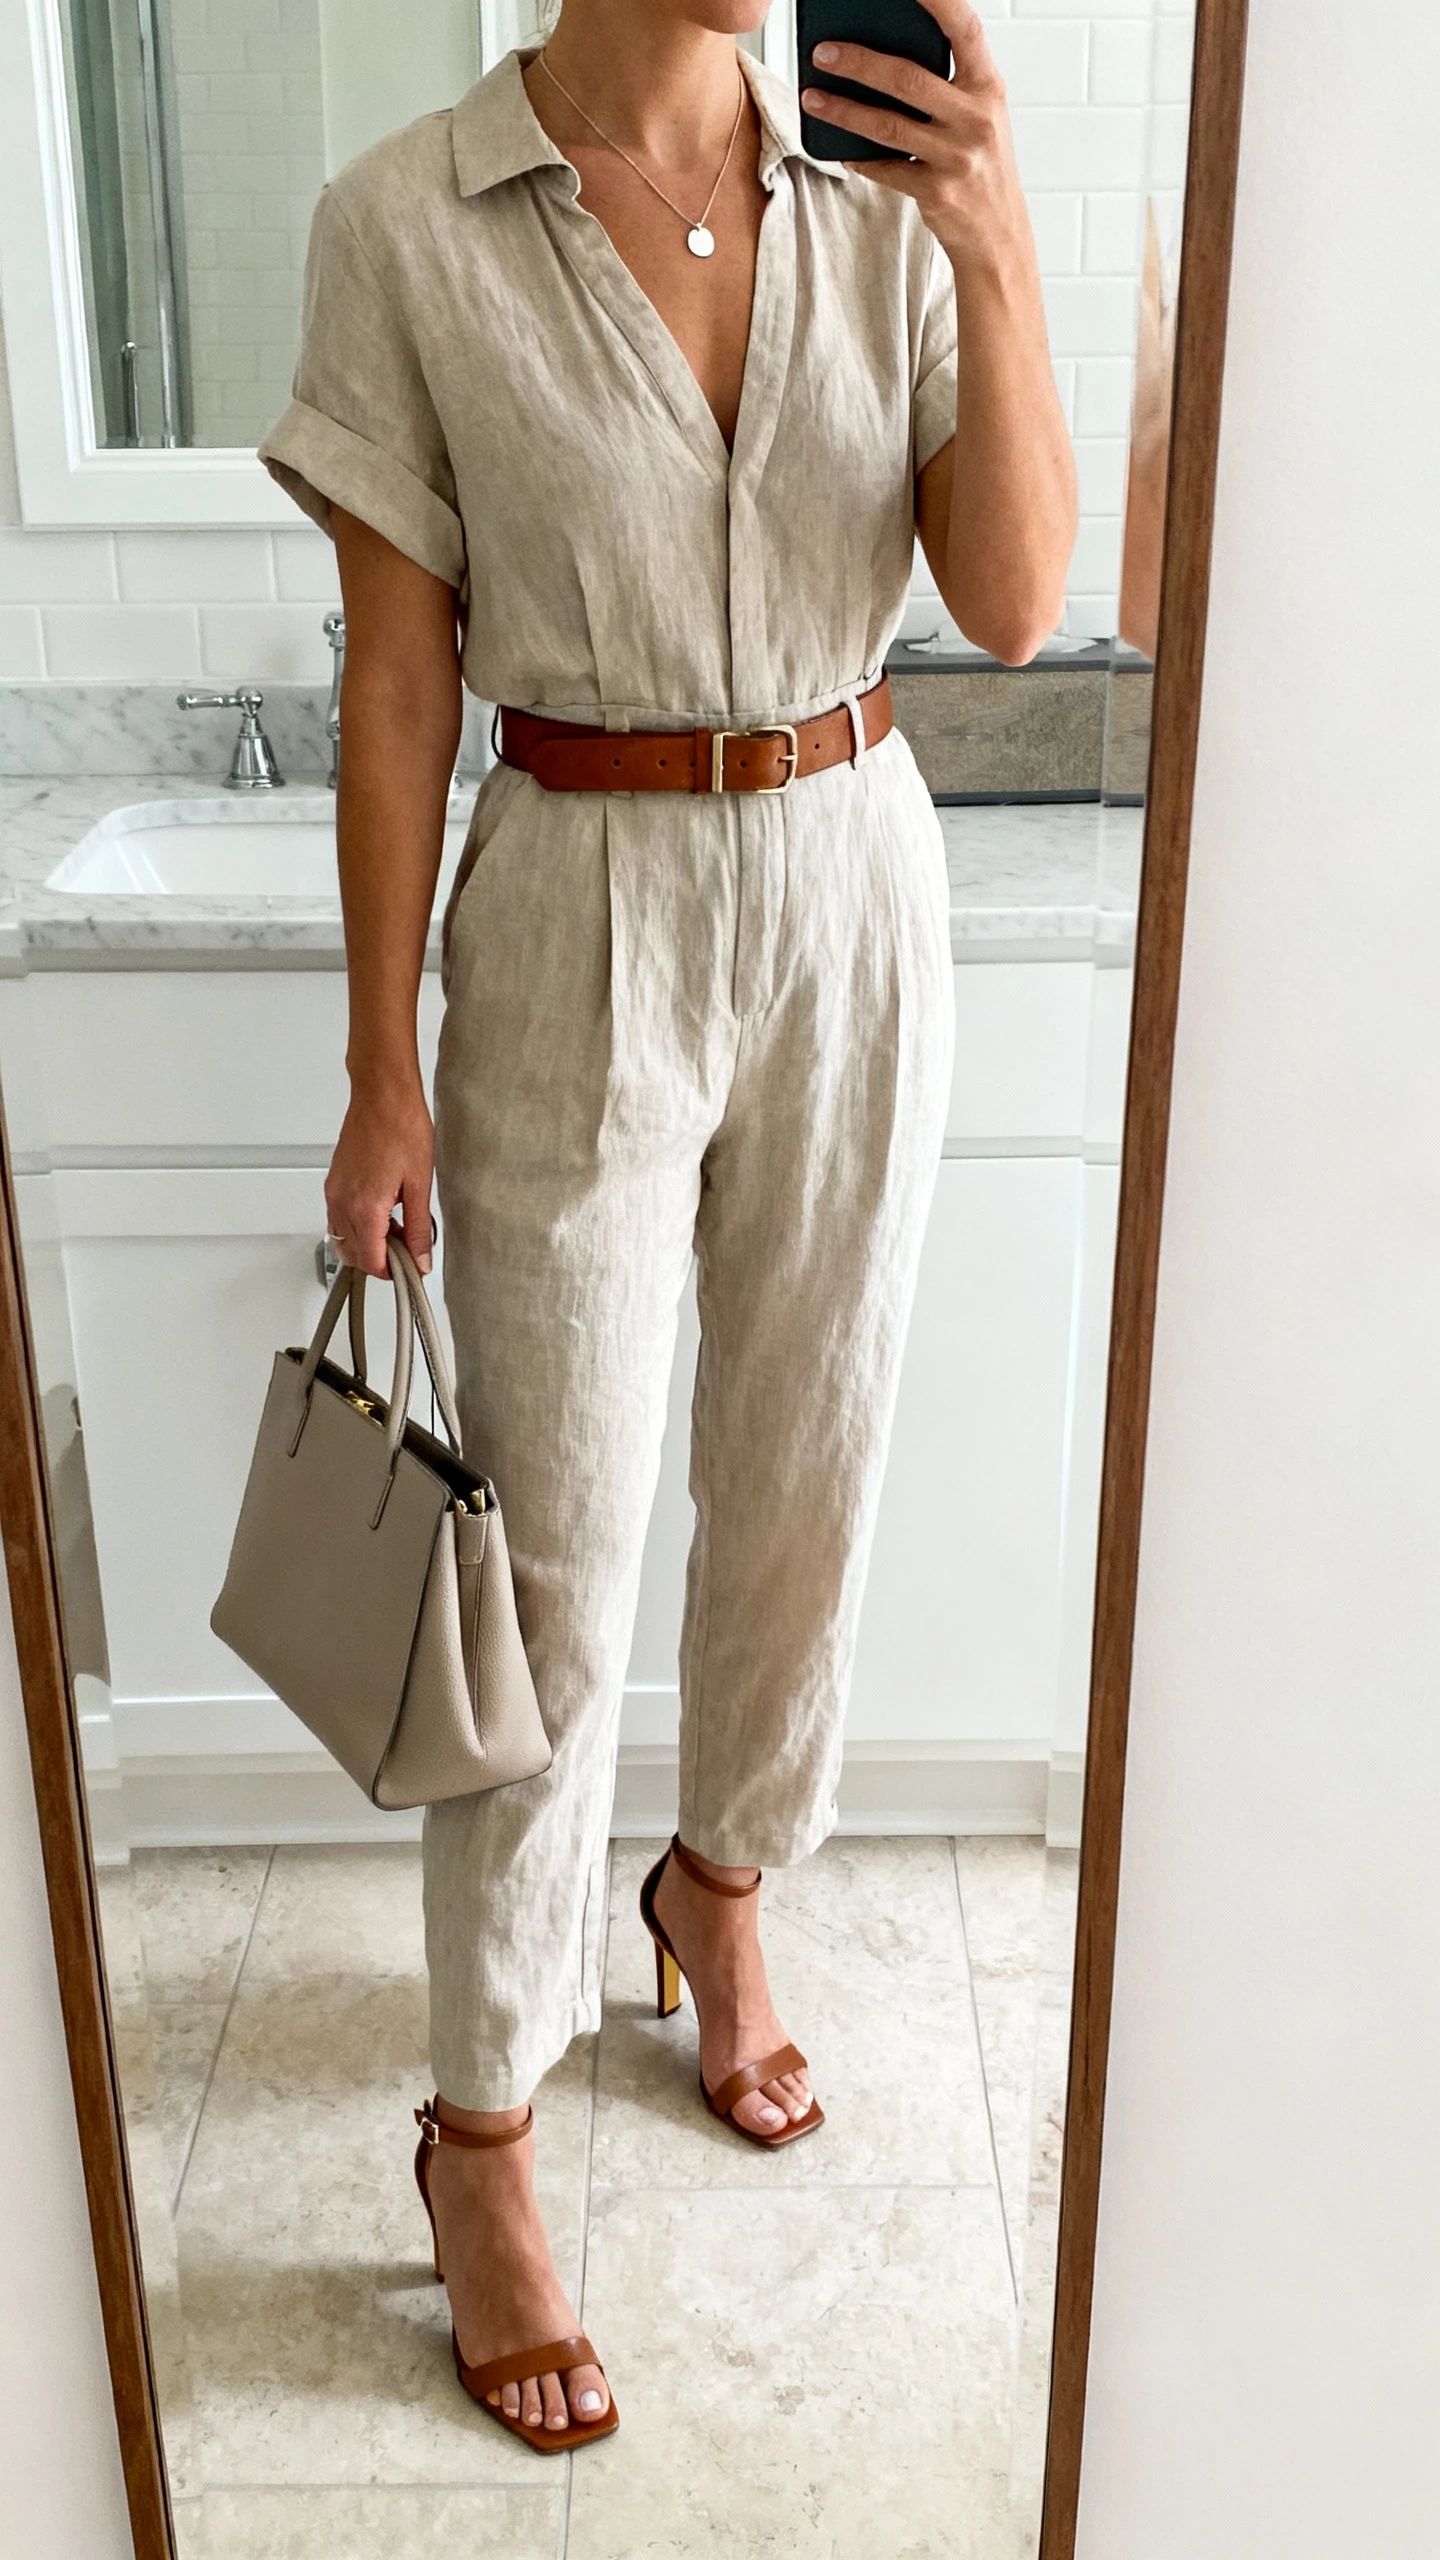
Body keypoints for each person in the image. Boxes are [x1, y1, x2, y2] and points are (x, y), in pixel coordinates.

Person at [259, 0, 1074, 2454]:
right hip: (576, 897)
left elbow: (1020, 601)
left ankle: (722, 1882)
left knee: (810, 1464)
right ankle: (481, 2124)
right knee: (559, 1561)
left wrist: (1003, 237)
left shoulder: (891, 192)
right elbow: (396, 684)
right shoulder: (407, 220)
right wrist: (380, 1057)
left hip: (851, 861)